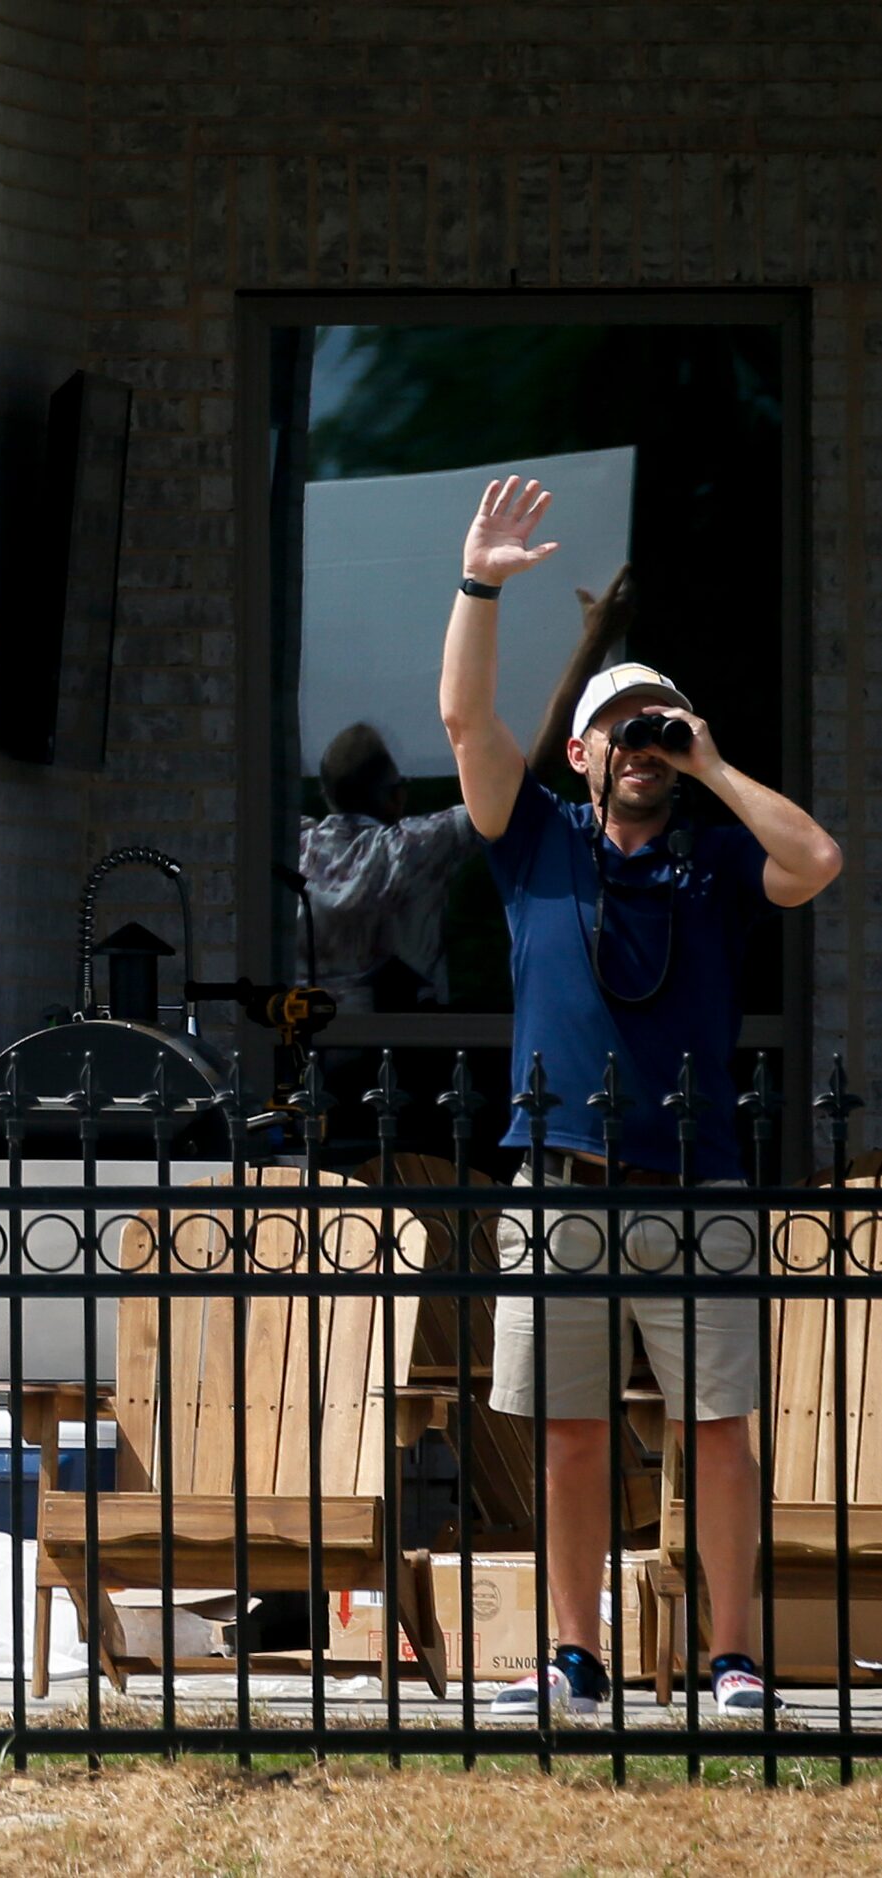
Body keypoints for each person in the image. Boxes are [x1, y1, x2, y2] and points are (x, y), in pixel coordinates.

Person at [438, 478, 842, 1716]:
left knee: (719, 1428)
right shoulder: (536, 841)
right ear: (580, 750)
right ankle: (573, 1655)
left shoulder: (714, 855)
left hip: (699, 1172)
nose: (638, 748)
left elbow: (815, 861)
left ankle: (731, 1658)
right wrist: (481, 585)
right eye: (620, 729)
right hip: (561, 1171)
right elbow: (463, 723)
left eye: (651, 730)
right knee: (566, 1428)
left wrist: (710, 761)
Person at [299, 722, 472, 1010]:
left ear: (325, 793)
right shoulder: (412, 848)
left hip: (303, 1042)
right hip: (397, 1041)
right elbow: (502, 800)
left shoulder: (294, 848)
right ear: (396, 796)